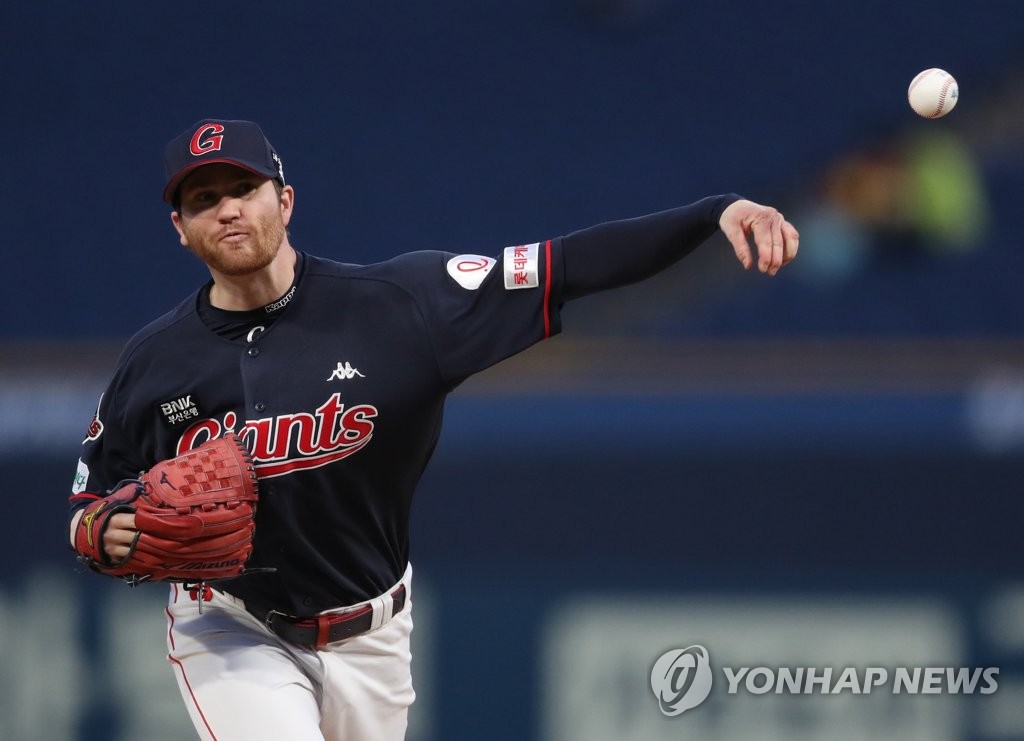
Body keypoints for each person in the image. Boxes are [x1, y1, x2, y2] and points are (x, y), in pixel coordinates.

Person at [67, 118, 798, 740]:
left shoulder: (403, 303)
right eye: (203, 199)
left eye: (244, 189)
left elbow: (568, 265)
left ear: (284, 200)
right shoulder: (155, 363)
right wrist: (104, 531)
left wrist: (712, 212)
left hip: (374, 633)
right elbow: (89, 506)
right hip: (231, 627)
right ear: (181, 229)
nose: (227, 209)